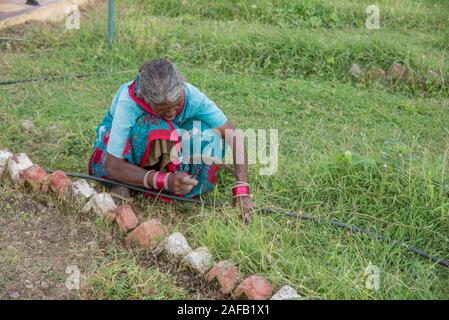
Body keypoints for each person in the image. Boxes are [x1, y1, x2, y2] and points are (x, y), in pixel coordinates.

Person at [89, 59, 255, 221]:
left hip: (166, 150)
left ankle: (163, 183)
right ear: (146, 99)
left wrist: (241, 188)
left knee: (209, 137)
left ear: (181, 87)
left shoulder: (192, 96)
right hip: (125, 155)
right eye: (162, 109)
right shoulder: (129, 102)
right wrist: (165, 180)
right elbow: (112, 165)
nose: (171, 113)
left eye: (177, 105)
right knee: (153, 126)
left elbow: (233, 134)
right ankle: (129, 181)